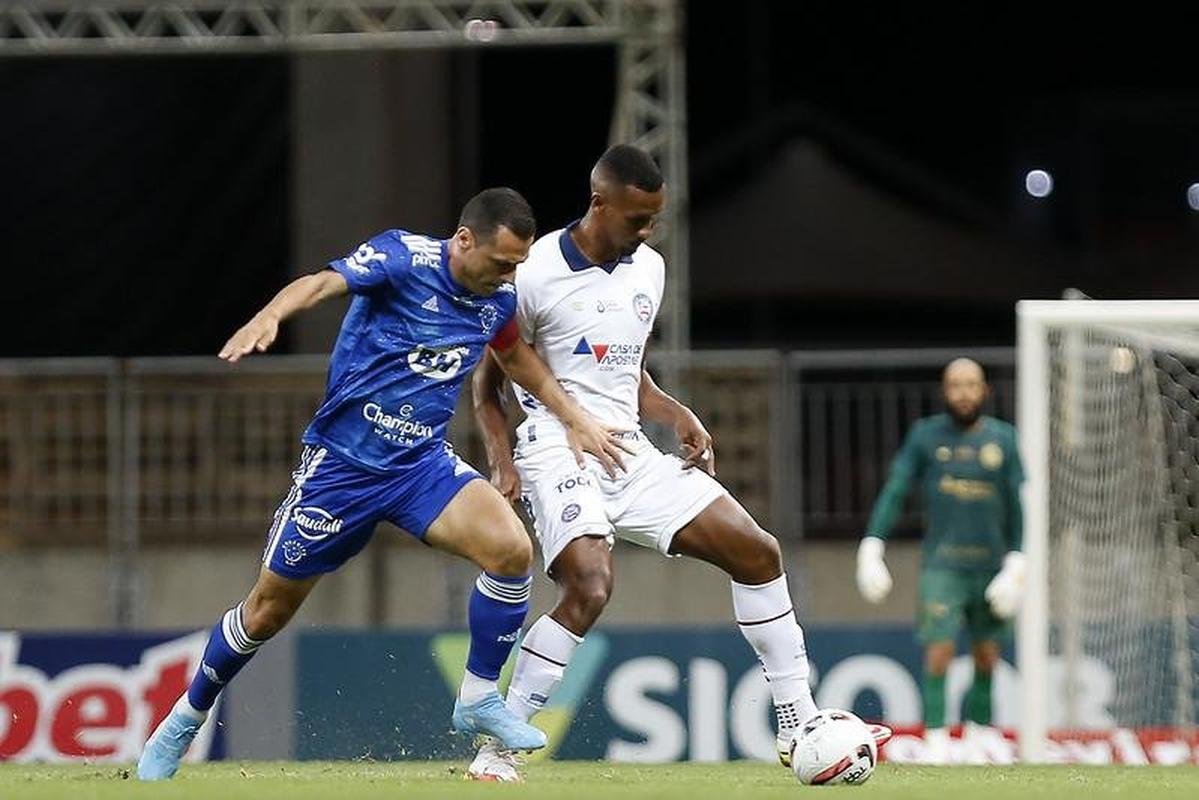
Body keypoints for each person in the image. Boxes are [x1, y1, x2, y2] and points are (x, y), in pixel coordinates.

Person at [137, 187, 632, 780]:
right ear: (464, 240)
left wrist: (577, 419)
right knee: (267, 611)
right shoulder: (402, 259)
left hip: (420, 466)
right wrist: (270, 313)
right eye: (501, 263)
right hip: (342, 470)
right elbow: (321, 283)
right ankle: (185, 718)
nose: (509, 276)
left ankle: (478, 698)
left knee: (510, 549)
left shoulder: (495, 301)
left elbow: (517, 359)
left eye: (518, 266)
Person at [468, 146, 887, 781]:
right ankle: (497, 753)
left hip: (629, 450)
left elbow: (622, 367)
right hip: (556, 447)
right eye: (637, 219)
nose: (647, 233)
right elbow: (487, 385)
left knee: (758, 551)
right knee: (589, 585)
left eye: (655, 220)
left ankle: (797, 717)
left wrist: (673, 410)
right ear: (599, 202)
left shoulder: (650, 270)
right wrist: (506, 463)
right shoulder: (535, 271)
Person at [856, 358, 1026, 763]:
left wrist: (1018, 561)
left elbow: (1019, 504)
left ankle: (980, 733)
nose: (964, 392)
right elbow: (897, 489)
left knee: (988, 653)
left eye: (971, 384)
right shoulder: (926, 436)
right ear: (944, 391)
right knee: (939, 650)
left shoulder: (1004, 440)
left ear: (985, 391)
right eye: (955, 385)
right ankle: (935, 738)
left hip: (991, 565)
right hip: (943, 565)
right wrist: (872, 543)